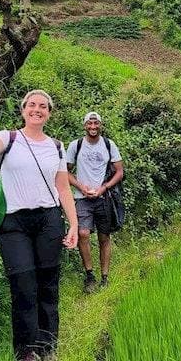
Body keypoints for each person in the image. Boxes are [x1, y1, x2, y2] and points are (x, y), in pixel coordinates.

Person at [0, 90, 78, 361]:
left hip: (48, 219)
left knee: (48, 284)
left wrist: (73, 224)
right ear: (23, 110)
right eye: (32, 105)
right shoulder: (8, 138)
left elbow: (63, 189)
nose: (37, 109)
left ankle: (48, 346)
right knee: (23, 284)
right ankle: (26, 351)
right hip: (14, 224)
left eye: (43, 106)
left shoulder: (57, 147)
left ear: (49, 112)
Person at [66, 111, 124, 293]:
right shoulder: (76, 145)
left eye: (96, 123)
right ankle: (90, 275)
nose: (93, 127)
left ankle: (105, 277)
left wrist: (104, 188)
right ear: (84, 125)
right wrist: (81, 187)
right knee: (83, 233)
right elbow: (65, 172)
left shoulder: (108, 145)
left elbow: (119, 172)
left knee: (104, 237)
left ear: (100, 125)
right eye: (89, 124)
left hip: (103, 198)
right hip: (82, 198)